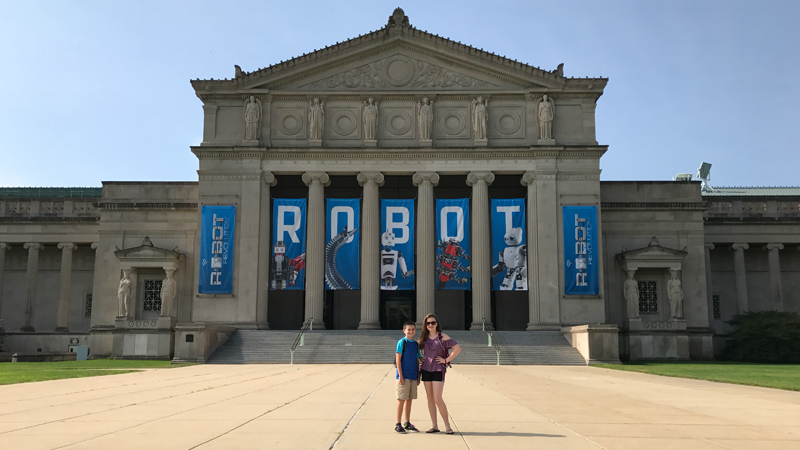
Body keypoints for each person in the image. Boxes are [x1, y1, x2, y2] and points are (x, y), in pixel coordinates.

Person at [418, 313, 461, 434]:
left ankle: (447, 426)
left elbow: (457, 348)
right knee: (430, 398)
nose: (430, 325)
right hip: (426, 369)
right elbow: (414, 348)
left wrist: (446, 360)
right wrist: (419, 358)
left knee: (437, 398)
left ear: (437, 324)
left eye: (432, 322)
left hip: (438, 369)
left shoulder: (442, 337)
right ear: (425, 325)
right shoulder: (424, 338)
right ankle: (434, 425)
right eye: (428, 323)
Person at [395, 320, 421, 433]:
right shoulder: (402, 342)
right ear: (404, 330)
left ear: (415, 331)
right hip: (404, 376)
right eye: (408, 329)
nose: (410, 331)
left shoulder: (415, 344)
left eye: (412, 329)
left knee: (409, 399)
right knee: (401, 399)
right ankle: (398, 424)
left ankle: (407, 422)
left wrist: (418, 376)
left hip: (413, 376)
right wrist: (400, 375)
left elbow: (417, 360)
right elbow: (398, 359)